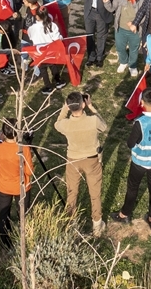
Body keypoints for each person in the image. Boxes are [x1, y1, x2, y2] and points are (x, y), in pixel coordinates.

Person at [113, 89, 151, 230]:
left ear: (142, 103)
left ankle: (124, 214)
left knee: (133, 187)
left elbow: (130, 143)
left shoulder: (140, 122)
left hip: (140, 161)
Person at [55, 91, 109, 234]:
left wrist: (63, 109)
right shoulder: (93, 121)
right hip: (91, 160)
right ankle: (97, 224)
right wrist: (92, 107)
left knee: (72, 192)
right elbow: (103, 127)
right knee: (95, 193)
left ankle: (71, 224)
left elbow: (57, 124)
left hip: (73, 160)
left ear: (69, 106)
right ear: (83, 104)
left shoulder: (65, 125)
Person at [0, 118, 33, 248]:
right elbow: (29, 171)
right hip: (21, 186)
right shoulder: (23, 149)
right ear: (17, 133)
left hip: (3, 186)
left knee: (3, 214)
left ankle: (6, 242)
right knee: (23, 213)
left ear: (3, 132)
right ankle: (23, 239)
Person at [26, 0, 65, 91]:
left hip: (39, 52)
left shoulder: (32, 28)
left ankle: (48, 87)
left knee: (43, 70)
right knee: (53, 66)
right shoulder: (52, 25)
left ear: (37, 16)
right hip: (50, 51)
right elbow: (57, 38)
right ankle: (58, 81)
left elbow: (30, 37)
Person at [81, 0, 113, 67]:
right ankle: (91, 57)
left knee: (101, 35)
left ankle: (99, 57)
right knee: (89, 35)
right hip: (89, 11)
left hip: (101, 13)